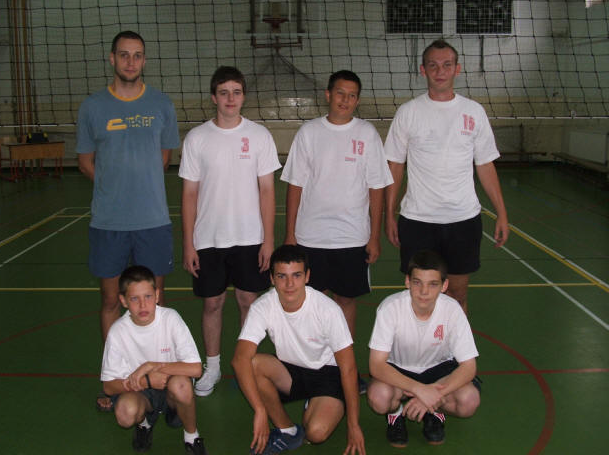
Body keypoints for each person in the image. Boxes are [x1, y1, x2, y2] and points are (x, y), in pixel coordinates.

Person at [77, 31, 180, 410]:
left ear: (144, 60)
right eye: (124, 55)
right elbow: (85, 162)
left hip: (153, 221)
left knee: (155, 303)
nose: (131, 62)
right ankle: (117, 381)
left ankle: (158, 378)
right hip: (109, 223)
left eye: (137, 55)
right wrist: (114, 187)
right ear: (112, 59)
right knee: (110, 301)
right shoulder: (92, 107)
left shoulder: (161, 104)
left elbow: (164, 157)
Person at [384, 39, 509, 313]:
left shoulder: (473, 112)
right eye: (433, 65)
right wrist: (389, 214)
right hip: (417, 220)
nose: (440, 71)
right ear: (423, 70)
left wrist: (501, 213)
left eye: (447, 65)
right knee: (419, 296)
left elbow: (485, 165)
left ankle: (454, 343)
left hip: (463, 221)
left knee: (457, 295)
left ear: (457, 69)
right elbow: (395, 165)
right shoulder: (408, 112)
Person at [179, 66, 281, 397]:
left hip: (250, 237)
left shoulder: (260, 136)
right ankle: (212, 367)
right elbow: (189, 194)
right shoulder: (197, 138)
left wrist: (268, 240)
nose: (230, 99)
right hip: (208, 238)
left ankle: (245, 364)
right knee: (212, 304)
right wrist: (188, 244)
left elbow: (267, 190)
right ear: (214, 97)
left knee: (249, 302)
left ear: (244, 97)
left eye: (236, 92)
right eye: (223, 93)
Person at [280, 70, 393, 344]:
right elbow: (295, 185)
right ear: (328, 95)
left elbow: (376, 188)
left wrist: (374, 237)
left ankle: (344, 363)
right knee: (311, 302)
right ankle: (313, 362)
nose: (345, 100)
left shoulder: (367, 134)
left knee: (346, 301)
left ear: (357, 100)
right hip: (310, 237)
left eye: (352, 95)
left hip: (352, 237)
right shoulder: (309, 132)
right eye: (340, 93)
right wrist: (290, 234)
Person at [232, 245, 365, 455]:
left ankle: (318, 402)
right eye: (281, 276)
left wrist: (354, 425)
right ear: (272, 279)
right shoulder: (263, 306)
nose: (289, 284)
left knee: (316, 434)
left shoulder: (327, 309)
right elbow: (240, 359)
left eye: (296, 275)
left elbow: (348, 368)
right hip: (291, 370)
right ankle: (287, 430)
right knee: (252, 364)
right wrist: (259, 410)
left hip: (328, 374)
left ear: (307, 276)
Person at [366, 250, 480, 447]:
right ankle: (395, 414)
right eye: (417, 282)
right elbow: (376, 365)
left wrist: (434, 394)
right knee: (379, 398)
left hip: (439, 371)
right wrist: (419, 390)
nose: (424, 291)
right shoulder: (390, 308)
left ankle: (434, 411)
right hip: (399, 370)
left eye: (433, 284)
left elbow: (469, 367)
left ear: (444, 286)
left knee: (469, 401)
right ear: (407, 281)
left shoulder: (452, 310)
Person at [100, 265, 207, 454]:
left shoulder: (170, 318)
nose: (143, 305)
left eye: (148, 296)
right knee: (125, 413)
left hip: (171, 386)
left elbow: (196, 369)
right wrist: (147, 381)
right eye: (135, 299)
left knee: (181, 385)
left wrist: (151, 366)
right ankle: (144, 424)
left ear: (157, 295)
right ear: (123, 301)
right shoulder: (118, 331)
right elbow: (108, 386)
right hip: (140, 391)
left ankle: (192, 436)